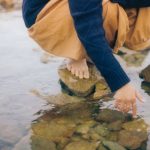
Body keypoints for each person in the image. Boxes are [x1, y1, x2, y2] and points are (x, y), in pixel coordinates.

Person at [22, 0, 150, 117]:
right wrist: (121, 85)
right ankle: (77, 49)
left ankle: (87, 48)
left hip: (79, 7)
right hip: (44, 16)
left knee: (143, 11)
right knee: (108, 12)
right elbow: (90, 30)